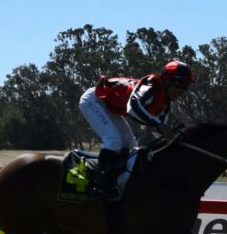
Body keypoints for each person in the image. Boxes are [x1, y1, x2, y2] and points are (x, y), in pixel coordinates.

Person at [79, 59, 194, 196]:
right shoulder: (152, 86)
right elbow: (133, 107)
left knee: (131, 145)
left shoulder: (166, 105)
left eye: (185, 86)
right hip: (94, 100)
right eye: (179, 84)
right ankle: (100, 183)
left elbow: (160, 134)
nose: (181, 91)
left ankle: (117, 182)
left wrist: (174, 140)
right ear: (167, 80)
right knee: (113, 139)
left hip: (109, 108)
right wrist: (158, 125)